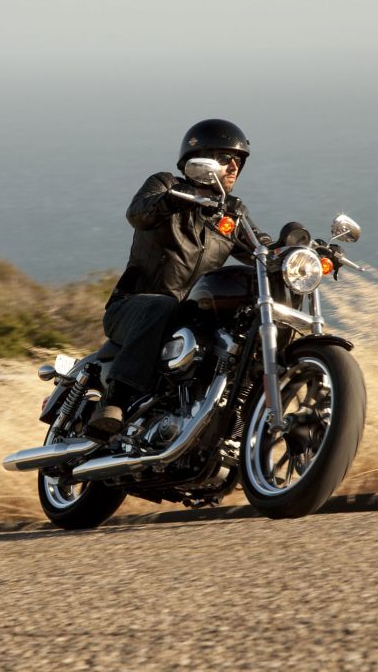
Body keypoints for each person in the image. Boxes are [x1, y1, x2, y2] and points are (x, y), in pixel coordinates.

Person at [89, 118, 267, 436]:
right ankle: (115, 400)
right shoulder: (165, 184)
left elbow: (261, 247)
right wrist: (172, 198)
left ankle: (237, 423)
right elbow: (138, 214)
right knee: (163, 306)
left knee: (239, 331)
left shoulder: (230, 214)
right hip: (133, 307)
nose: (234, 167)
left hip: (188, 317)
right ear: (201, 160)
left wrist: (298, 249)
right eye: (226, 159)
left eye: (238, 161)